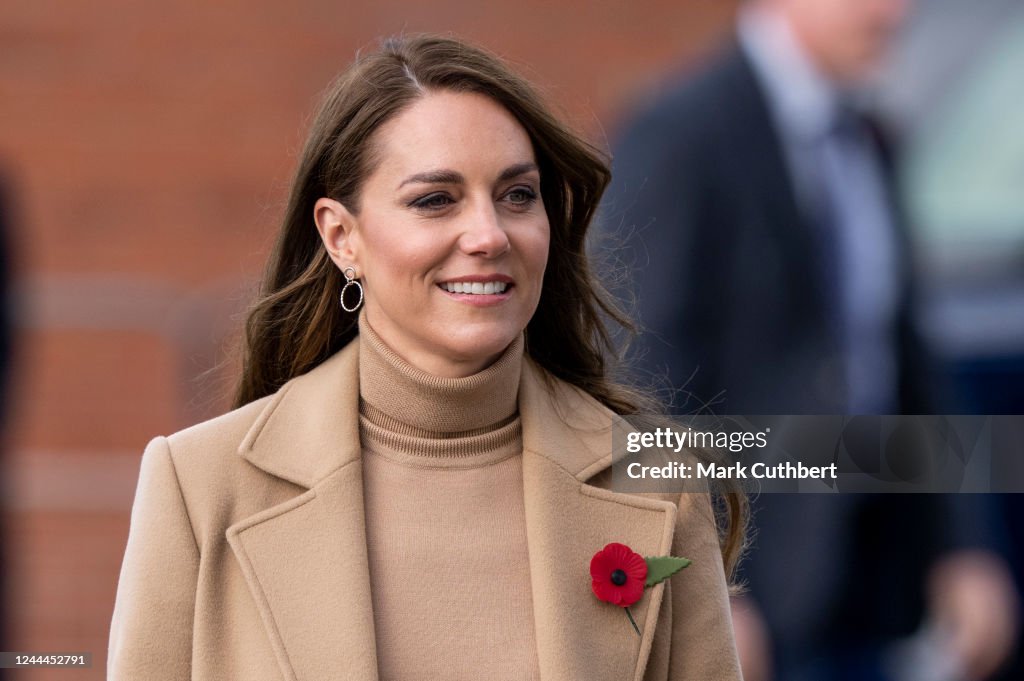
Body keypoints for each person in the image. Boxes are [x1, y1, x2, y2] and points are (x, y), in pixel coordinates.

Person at [107, 35, 745, 681]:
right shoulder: (198, 486)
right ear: (340, 236)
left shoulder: (661, 481)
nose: (490, 234)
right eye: (435, 199)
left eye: (517, 195)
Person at [606, 1, 1018, 680]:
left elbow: (907, 354)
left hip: (880, 584)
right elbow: (638, 372)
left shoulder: (868, 138)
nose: (896, 14)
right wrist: (704, 583)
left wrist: (963, 546)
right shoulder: (681, 133)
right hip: (764, 598)